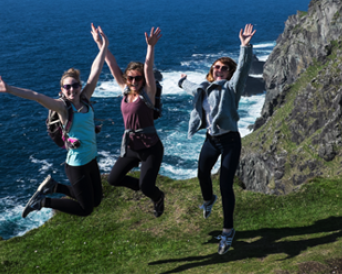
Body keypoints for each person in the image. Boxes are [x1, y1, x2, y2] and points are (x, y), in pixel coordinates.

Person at [0, 24, 108, 219]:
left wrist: (102, 46)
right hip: (76, 164)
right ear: (62, 90)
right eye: (67, 87)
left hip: (91, 159)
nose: (72, 89)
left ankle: (54, 186)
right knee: (86, 209)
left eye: (75, 85)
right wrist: (9, 89)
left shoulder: (85, 97)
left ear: (79, 85)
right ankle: (42, 202)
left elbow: (96, 69)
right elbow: (36, 96)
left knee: (96, 201)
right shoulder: (62, 107)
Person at [178, 24, 256, 255]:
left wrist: (245, 46)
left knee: (225, 186)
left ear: (229, 73)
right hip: (211, 140)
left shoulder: (232, 88)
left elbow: (243, 68)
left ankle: (228, 231)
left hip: (230, 140)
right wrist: (182, 81)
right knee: (202, 173)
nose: (219, 70)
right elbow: (192, 87)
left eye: (223, 68)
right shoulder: (204, 87)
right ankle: (208, 199)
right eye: (216, 67)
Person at [93, 27, 166, 218]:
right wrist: (100, 43)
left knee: (147, 186)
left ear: (143, 80)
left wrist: (150, 47)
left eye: (137, 78)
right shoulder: (125, 90)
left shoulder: (147, 95)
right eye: (130, 78)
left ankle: (157, 197)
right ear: (126, 78)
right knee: (113, 179)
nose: (134, 81)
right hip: (132, 147)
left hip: (151, 147)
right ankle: (144, 187)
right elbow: (111, 63)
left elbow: (148, 66)